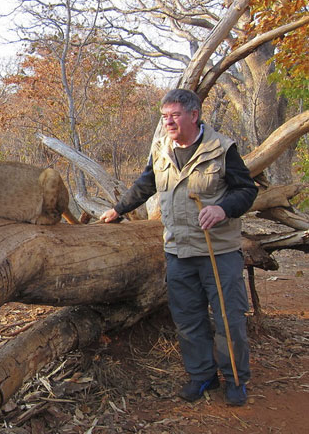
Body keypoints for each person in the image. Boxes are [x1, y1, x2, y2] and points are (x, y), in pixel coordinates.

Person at [100, 88, 257, 406]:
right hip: (177, 251)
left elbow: (246, 189)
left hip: (218, 252)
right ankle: (202, 376)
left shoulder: (221, 148)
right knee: (188, 319)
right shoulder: (161, 148)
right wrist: (118, 209)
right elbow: (147, 183)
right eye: (164, 117)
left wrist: (223, 208)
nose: (168, 122)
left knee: (229, 318)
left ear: (194, 115)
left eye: (174, 115)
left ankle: (235, 379)